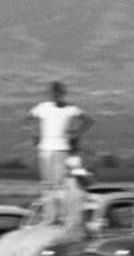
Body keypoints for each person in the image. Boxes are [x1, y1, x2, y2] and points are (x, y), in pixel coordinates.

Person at [26, 81, 93, 222]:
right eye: (53, 93)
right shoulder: (42, 107)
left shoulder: (71, 108)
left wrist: (76, 134)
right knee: (47, 185)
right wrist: (34, 135)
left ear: (62, 94)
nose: (55, 96)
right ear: (50, 94)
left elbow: (88, 120)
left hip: (61, 149)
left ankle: (61, 215)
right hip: (45, 149)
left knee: (59, 184)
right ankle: (50, 216)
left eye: (58, 93)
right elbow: (27, 119)